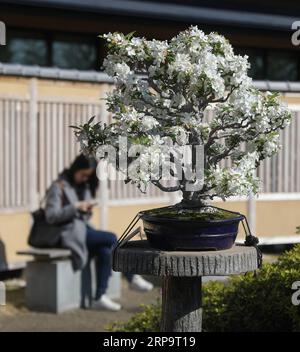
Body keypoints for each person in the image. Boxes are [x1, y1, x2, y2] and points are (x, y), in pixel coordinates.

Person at [44, 154, 153, 311]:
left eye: (88, 175)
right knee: (111, 238)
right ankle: (131, 276)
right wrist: (75, 207)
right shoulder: (58, 186)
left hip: (82, 230)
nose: (85, 178)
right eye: (83, 174)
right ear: (76, 169)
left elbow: (85, 216)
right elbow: (51, 216)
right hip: (66, 233)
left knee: (105, 251)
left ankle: (99, 297)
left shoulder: (85, 186)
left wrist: (86, 209)